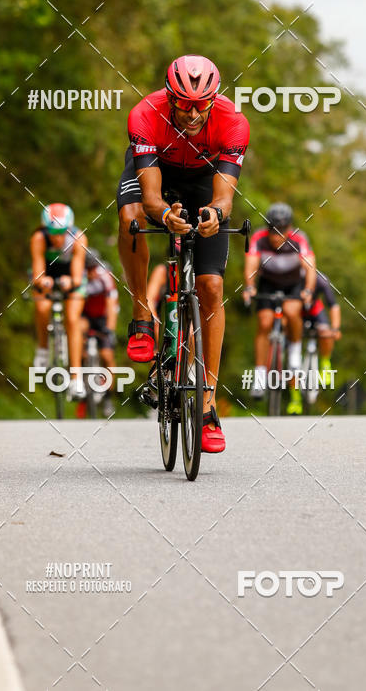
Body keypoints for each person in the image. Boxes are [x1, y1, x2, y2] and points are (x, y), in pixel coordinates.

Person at [117, 54, 250, 453]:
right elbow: (153, 196)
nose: (193, 113)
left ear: (215, 98)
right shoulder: (144, 114)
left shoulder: (234, 123)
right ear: (169, 95)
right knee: (131, 215)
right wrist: (165, 215)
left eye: (201, 104)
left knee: (211, 286)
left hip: (203, 179)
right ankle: (142, 313)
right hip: (156, 168)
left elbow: (224, 195)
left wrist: (214, 214)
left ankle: (207, 405)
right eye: (184, 103)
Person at [243, 202, 316, 414]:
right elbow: (251, 265)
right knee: (264, 322)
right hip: (269, 283)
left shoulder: (299, 239)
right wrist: (249, 286)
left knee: (293, 311)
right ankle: (259, 376)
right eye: (273, 230)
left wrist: (309, 291)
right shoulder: (259, 238)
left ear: (289, 228)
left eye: (282, 230)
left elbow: (310, 267)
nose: (277, 236)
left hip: (293, 284)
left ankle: (294, 350)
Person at [30, 203, 87, 398]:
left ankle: (76, 378)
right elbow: (37, 273)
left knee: (72, 319)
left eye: (62, 232)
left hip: (71, 277)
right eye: (52, 232)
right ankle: (43, 349)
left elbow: (78, 277)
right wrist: (42, 281)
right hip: (47, 275)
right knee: (42, 306)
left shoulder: (78, 238)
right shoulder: (39, 238)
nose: (57, 237)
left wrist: (70, 282)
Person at [78, 248, 119, 419]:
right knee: (78, 330)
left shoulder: (105, 275)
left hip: (103, 315)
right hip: (86, 315)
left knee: (108, 356)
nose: (91, 272)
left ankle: (108, 398)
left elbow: (111, 304)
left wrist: (110, 330)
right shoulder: (80, 275)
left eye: (93, 268)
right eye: (87, 269)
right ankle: (80, 370)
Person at [303, 272, 342, 384]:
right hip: (296, 311)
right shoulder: (292, 275)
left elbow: (333, 305)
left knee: (326, 331)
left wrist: (335, 328)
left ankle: (325, 364)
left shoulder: (321, 280)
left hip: (315, 311)